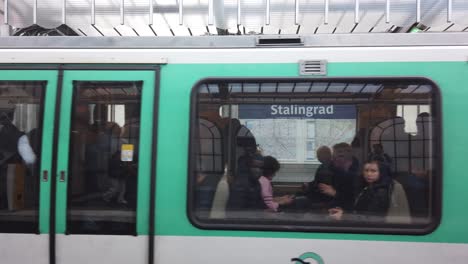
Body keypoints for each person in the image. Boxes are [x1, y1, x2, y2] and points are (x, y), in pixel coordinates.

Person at [328, 160, 393, 221]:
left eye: (373, 171)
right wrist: (342, 212)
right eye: (366, 170)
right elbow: (359, 209)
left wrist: (343, 216)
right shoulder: (366, 187)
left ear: (381, 173)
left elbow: (372, 217)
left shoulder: (381, 192)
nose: (369, 174)